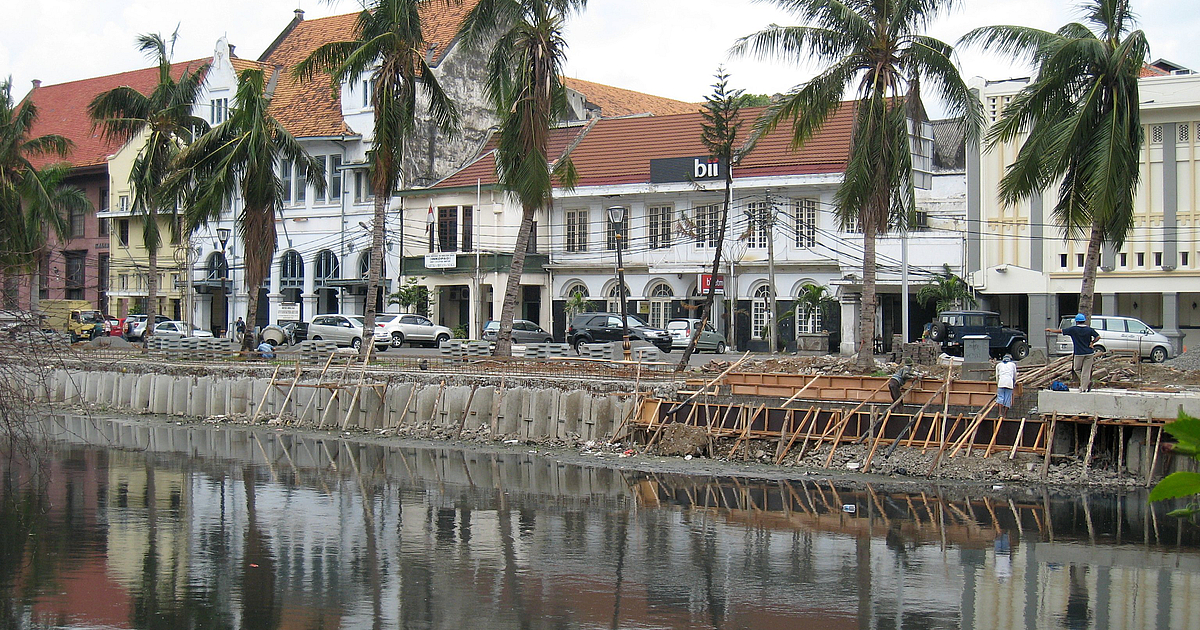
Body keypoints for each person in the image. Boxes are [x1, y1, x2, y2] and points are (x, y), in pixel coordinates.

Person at [1046, 313, 1101, 392]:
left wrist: (1051, 330)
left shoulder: (1073, 329)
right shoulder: (1089, 329)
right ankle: (1085, 384)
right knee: (1086, 371)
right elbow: (1098, 336)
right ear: (1084, 321)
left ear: (1076, 321)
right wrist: (1092, 342)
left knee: (1077, 369)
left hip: (1079, 353)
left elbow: (1061, 331)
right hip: (1089, 353)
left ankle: (1084, 387)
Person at [995, 353, 1017, 418]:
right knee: (1007, 399)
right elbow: (1014, 375)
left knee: (1000, 398)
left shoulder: (999, 365)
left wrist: (997, 383)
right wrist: (1014, 382)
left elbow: (997, 376)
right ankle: (1005, 415)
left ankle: (1000, 413)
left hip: (1001, 383)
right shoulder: (1013, 365)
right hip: (1009, 383)